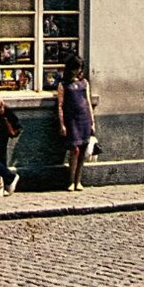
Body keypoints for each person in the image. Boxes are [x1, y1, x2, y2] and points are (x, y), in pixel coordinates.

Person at [56, 52, 94, 192]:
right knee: (75, 150)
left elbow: (88, 102)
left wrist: (92, 122)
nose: (78, 71)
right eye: (75, 68)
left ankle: (79, 180)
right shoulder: (63, 85)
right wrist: (62, 124)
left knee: (83, 150)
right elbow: (60, 105)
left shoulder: (84, 83)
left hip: (84, 119)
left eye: (79, 68)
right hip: (71, 120)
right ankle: (71, 180)